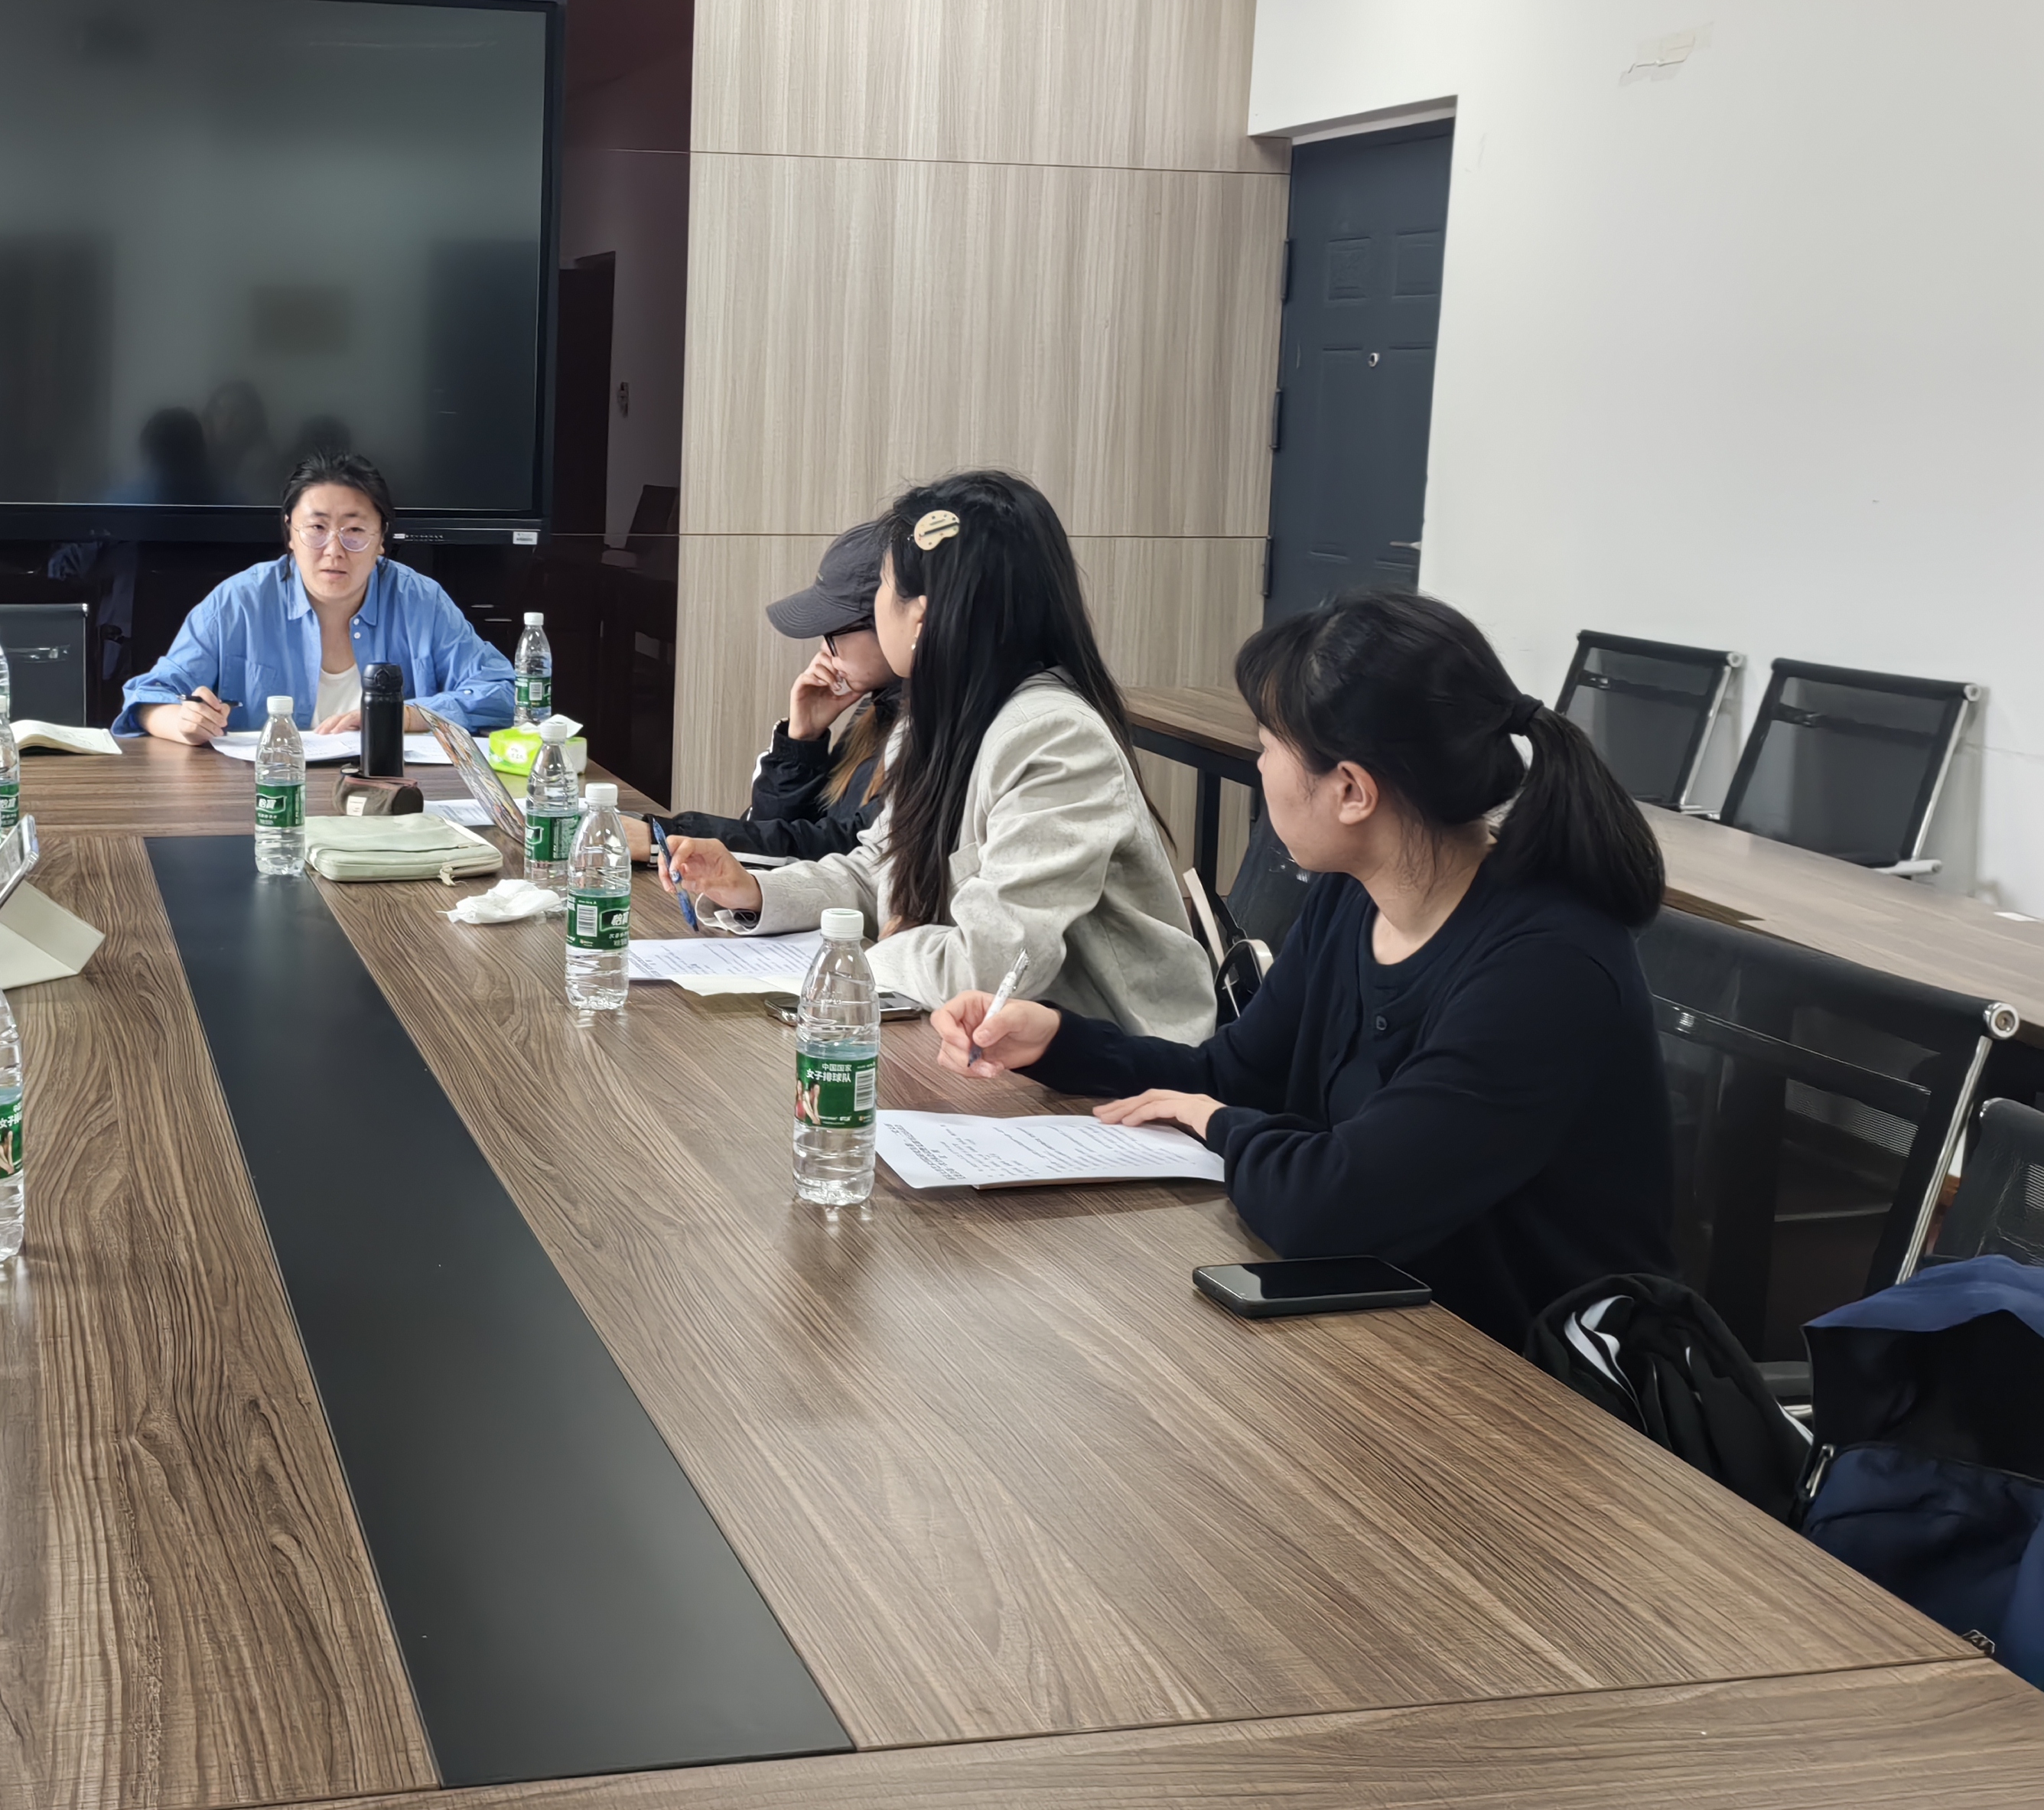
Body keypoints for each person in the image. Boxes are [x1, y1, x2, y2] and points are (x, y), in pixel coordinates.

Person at [929, 588, 1673, 1350]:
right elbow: (1233, 1075)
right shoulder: (1355, 897)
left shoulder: (1545, 969)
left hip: (1518, 1382)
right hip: (1371, 1325)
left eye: (1266, 746)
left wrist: (1220, 1125)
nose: (1258, 767)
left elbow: (1335, 1205)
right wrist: (1058, 1041)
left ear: (1351, 791)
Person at [666, 471, 1212, 1036]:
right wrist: (756, 892)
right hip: (977, 1043)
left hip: (1108, 1065)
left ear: (921, 617)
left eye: (883, 586)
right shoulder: (930, 723)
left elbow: (993, 971)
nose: (877, 604)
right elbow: (875, 874)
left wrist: (875, 953)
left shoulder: (1054, 739)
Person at [116, 453, 516, 741]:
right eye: (317, 528)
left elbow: (504, 691)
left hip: (389, 798)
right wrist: (184, 724)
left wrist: (404, 716)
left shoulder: (421, 602)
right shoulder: (238, 603)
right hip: (261, 796)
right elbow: (148, 697)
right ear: (290, 532)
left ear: (381, 539)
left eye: (354, 531)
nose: (334, 550)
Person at [631, 519, 900, 865]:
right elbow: (773, 838)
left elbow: (848, 855)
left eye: (834, 631)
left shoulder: (929, 732)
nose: (824, 649)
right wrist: (801, 744)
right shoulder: (878, 708)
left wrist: (665, 838)